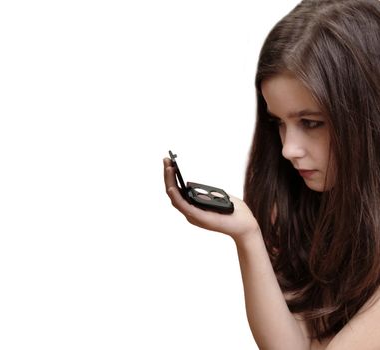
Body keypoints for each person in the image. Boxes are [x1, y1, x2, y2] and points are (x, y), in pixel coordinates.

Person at [163, 0, 380, 349]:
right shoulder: (306, 209)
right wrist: (247, 235)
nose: (288, 149)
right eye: (278, 123)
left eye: (311, 123)